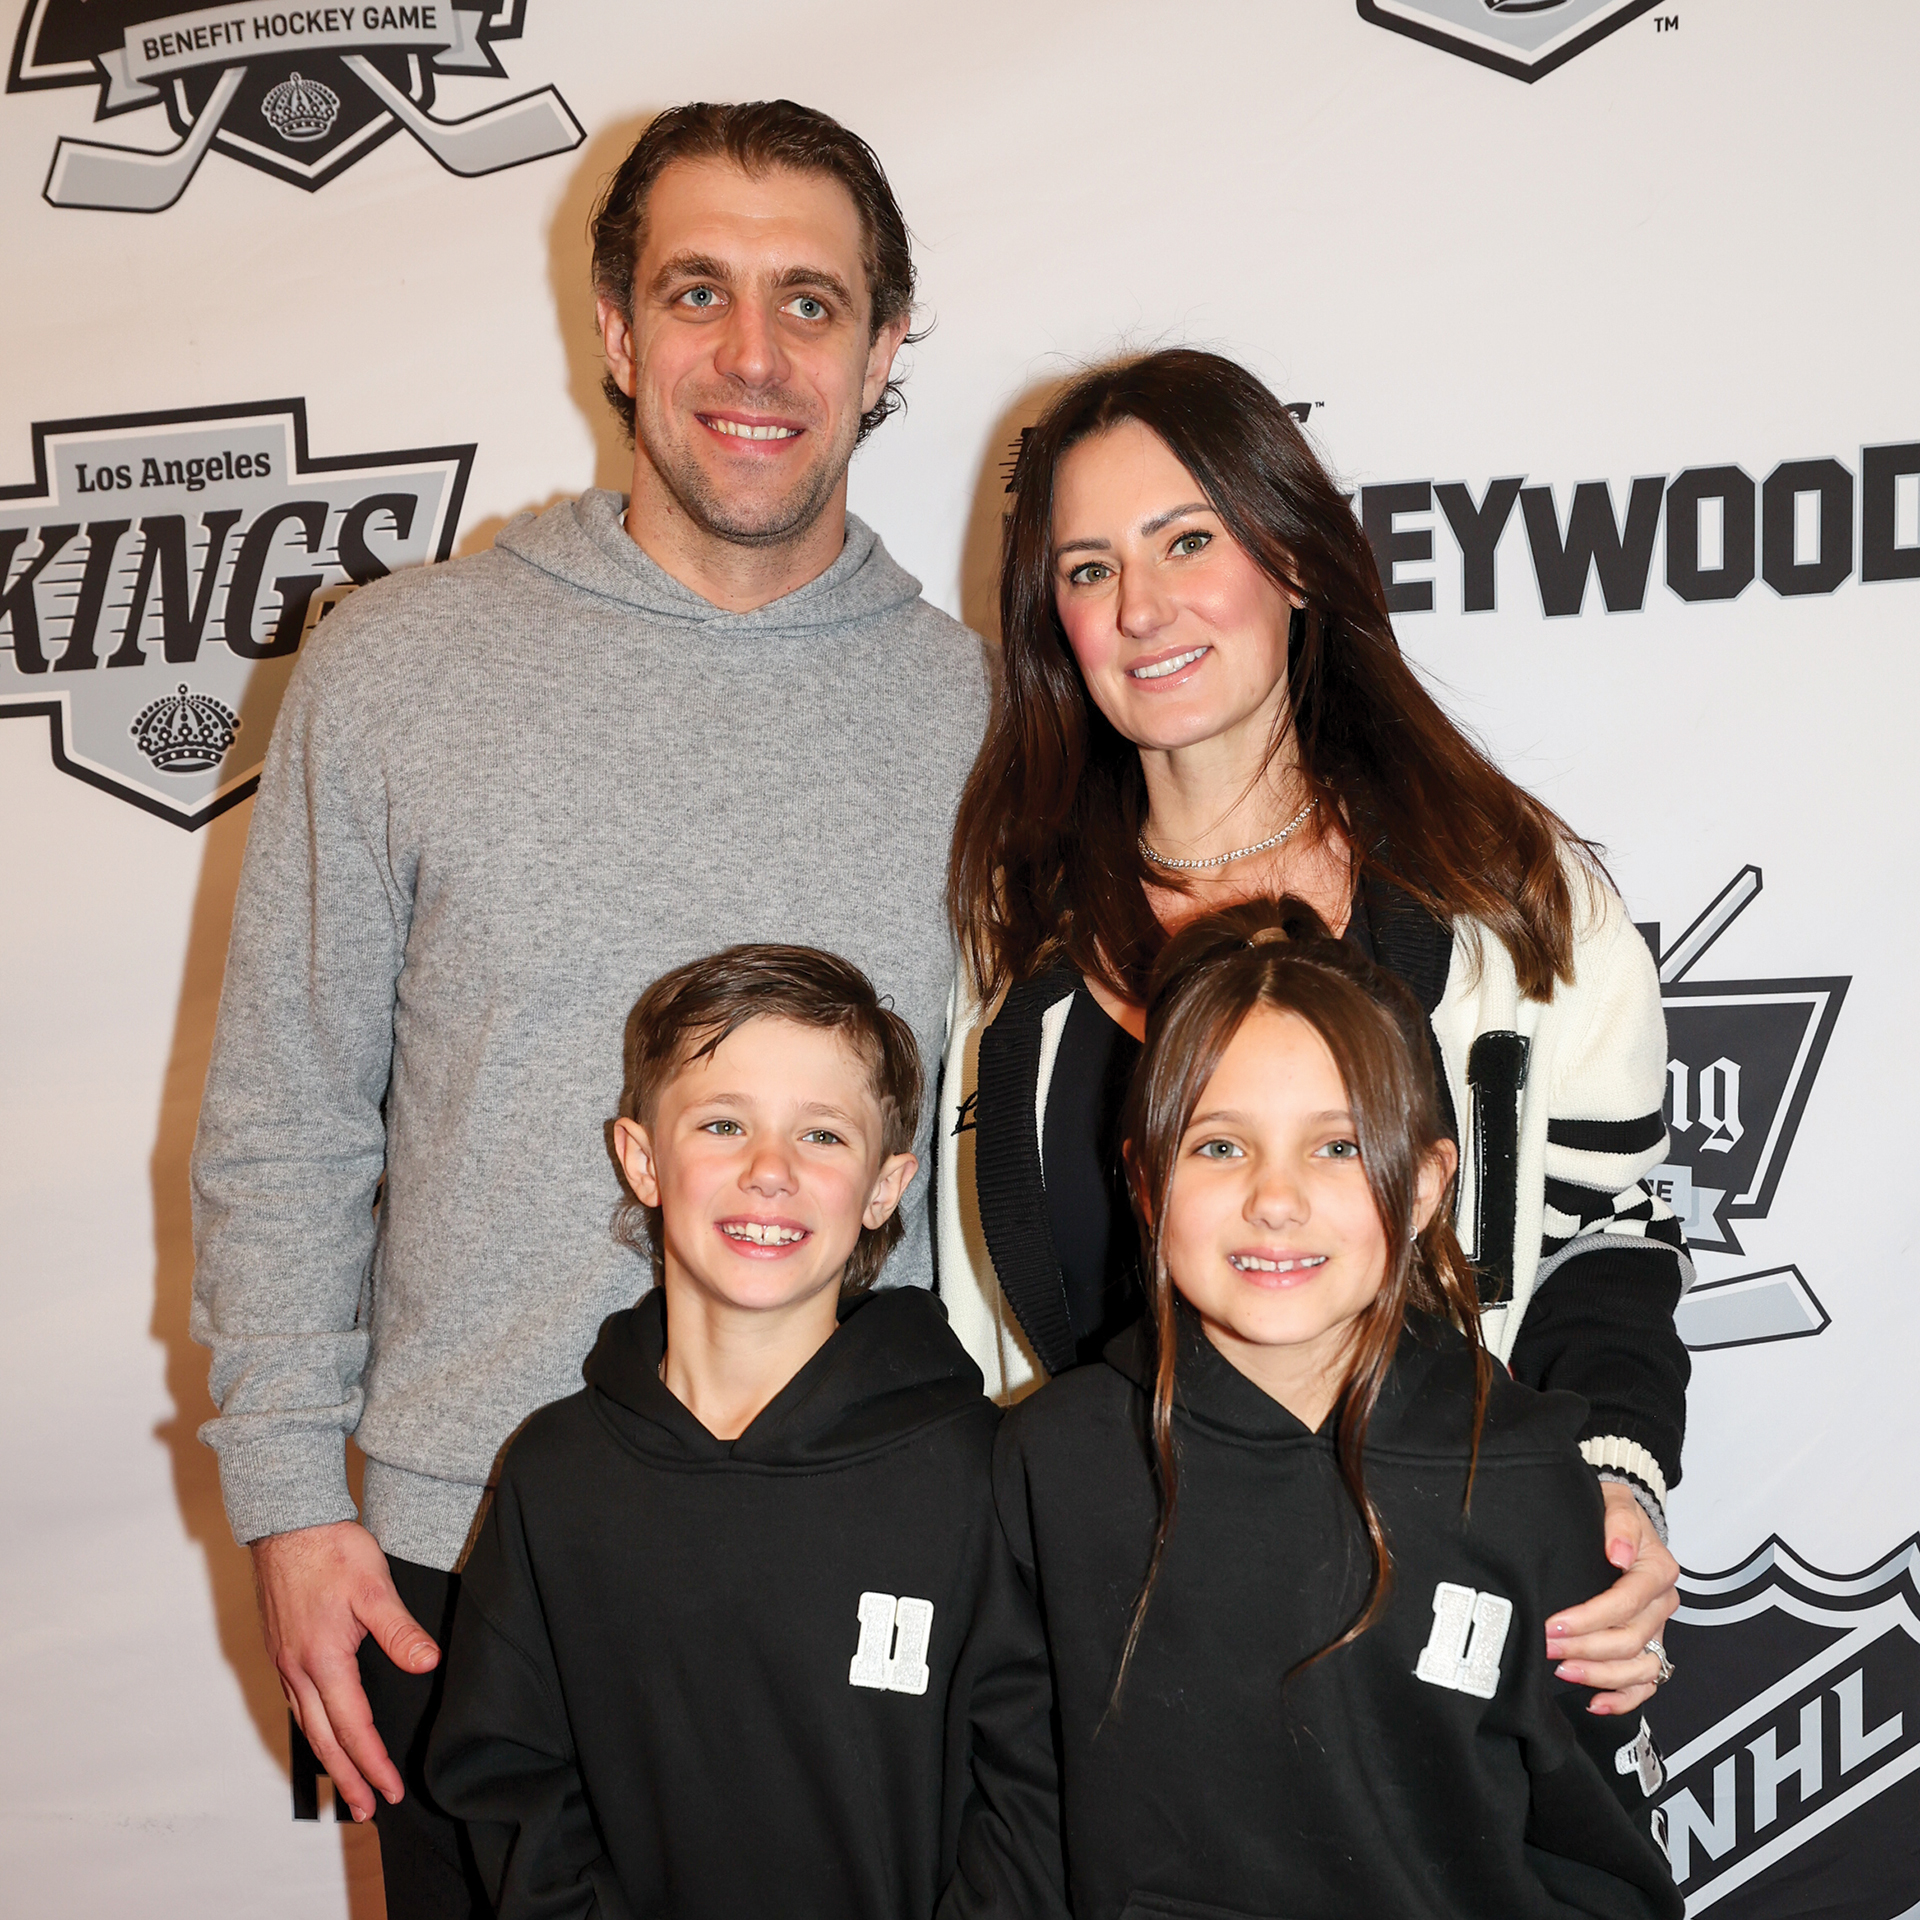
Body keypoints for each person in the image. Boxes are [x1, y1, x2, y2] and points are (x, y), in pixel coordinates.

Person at [189, 101, 988, 1915]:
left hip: (875, 1556)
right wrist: (293, 1502)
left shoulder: (990, 720)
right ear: (617, 332)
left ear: (883, 351)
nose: (754, 354)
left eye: (810, 301)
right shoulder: (394, 670)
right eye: (698, 292)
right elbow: (288, 1116)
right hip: (462, 1551)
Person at [939, 348, 1690, 1718]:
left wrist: (1615, 1481)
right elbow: (979, 1328)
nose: (1141, 607)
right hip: (1118, 1675)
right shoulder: (1015, 945)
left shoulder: (1507, 897)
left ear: (1292, 558)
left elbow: (1611, 1244)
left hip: (1446, 1649)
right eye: (1090, 568)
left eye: (1187, 541)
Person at [988, 900, 1683, 1920]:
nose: (1275, 1199)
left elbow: (1604, 1865)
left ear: (1426, 1186)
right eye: (1218, 1147)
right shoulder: (1049, 1463)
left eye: (1339, 1147)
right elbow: (1014, 1828)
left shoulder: (1527, 1478)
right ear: (1143, 1180)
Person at [426, 945, 1058, 1920]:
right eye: (724, 1124)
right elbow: (510, 1782)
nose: (771, 1172)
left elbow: (1031, 1796)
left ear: (887, 1186)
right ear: (643, 1159)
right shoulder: (556, 1480)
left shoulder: (977, 1476)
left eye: (822, 1135)